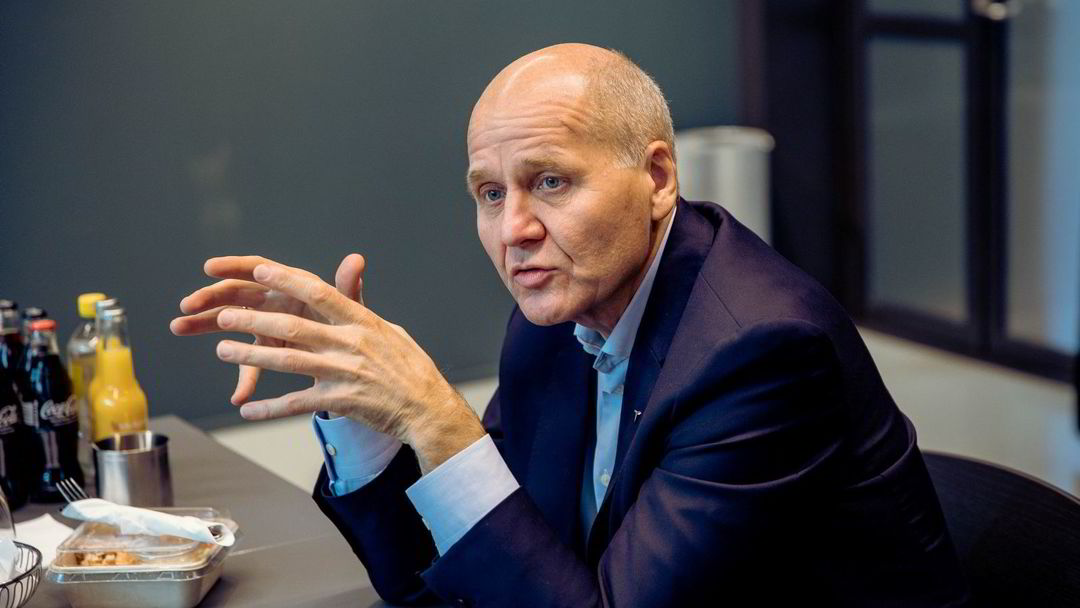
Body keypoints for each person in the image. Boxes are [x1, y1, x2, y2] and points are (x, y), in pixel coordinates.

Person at [171, 43, 970, 606]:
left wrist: (439, 420)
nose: (513, 230)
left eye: (550, 181)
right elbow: (450, 579)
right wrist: (360, 407)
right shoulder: (556, 315)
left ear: (658, 176)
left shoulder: (762, 350)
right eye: (490, 193)